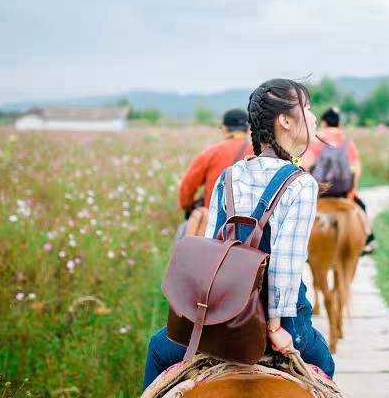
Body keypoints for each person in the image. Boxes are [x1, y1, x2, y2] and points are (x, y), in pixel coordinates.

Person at [143, 79, 335, 391]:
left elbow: (211, 249)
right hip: (283, 318)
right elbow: (287, 263)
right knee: (324, 363)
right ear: (285, 121)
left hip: (224, 311)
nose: (313, 118)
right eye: (308, 109)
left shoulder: (229, 175)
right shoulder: (301, 184)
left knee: (157, 348)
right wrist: (276, 326)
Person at [302, 107, 375, 253]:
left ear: (323, 123)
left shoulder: (315, 141)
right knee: (362, 209)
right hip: (342, 192)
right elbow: (356, 169)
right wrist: (351, 191)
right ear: (339, 123)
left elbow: (305, 166)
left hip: (319, 192)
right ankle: (367, 241)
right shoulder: (347, 143)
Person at [177, 109, 253, 216]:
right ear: (248, 129)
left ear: (224, 129)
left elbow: (187, 187)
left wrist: (189, 206)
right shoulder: (258, 154)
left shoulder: (211, 153)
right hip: (252, 223)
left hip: (214, 221)